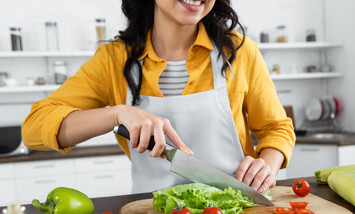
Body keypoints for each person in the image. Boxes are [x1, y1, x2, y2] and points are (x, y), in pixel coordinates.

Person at [22, 0, 295, 194]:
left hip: (237, 210)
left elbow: (277, 128)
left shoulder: (239, 51)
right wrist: (117, 113)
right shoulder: (114, 59)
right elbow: (34, 128)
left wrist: (266, 166)